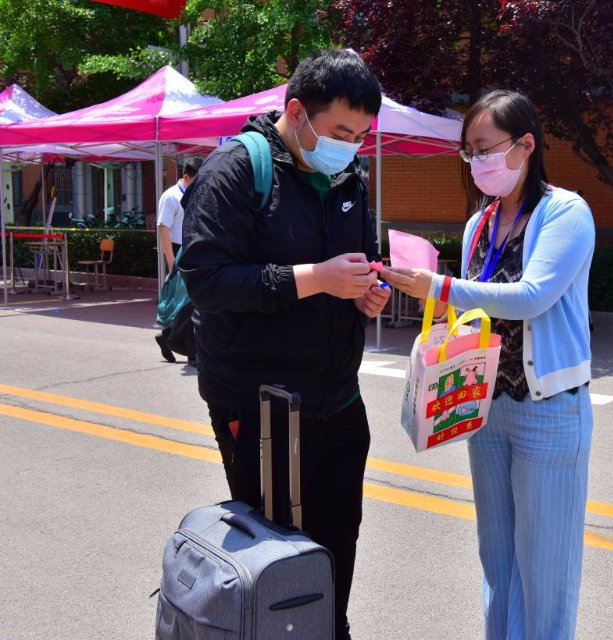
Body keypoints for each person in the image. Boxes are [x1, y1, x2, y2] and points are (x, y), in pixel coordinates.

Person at [179, 49, 390, 640]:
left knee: (335, 547)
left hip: (339, 398)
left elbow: (352, 266)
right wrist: (314, 277)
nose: (351, 146)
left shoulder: (347, 178)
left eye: (361, 136)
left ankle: (330, 629)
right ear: (297, 112)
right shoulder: (237, 170)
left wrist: (361, 294)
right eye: (341, 132)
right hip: (264, 403)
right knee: (274, 559)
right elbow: (205, 279)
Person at [381, 89, 595, 640]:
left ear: (526, 146)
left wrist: (439, 285)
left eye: (485, 148)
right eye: (469, 151)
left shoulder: (566, 212)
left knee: (546, 568)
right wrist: (432, 289)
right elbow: (472, 305)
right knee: (498, 561)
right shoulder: (481, 222)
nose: (477, 162)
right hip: (487, 408)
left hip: (548, 408)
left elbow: (531, 296)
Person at [157, 155, 203, 273]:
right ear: (186, 178)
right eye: (196, 181)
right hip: (177, 249)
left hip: (193, 248)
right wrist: (171, 260)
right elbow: (163, 228)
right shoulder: (170, 196)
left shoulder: (197, 194)